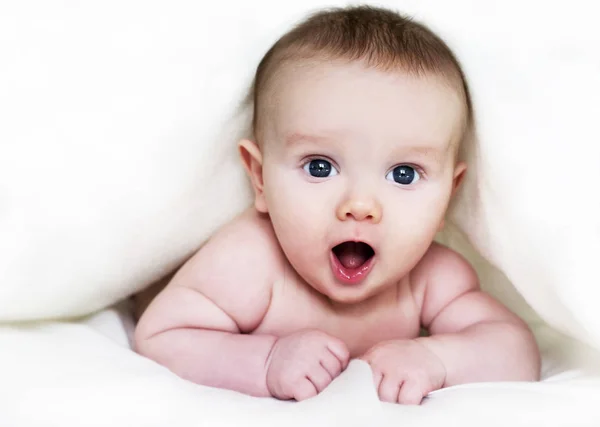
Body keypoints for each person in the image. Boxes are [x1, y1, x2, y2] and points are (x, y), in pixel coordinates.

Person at [134, 5, 540, 405]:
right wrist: (265, 361)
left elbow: (515, 350)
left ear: (448, 197)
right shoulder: (248, 260)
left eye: (404, 174)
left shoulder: (431, 278)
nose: (360, 205)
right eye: (320, 167)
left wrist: (438, 358)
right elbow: (161, 336)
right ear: (260, 178)